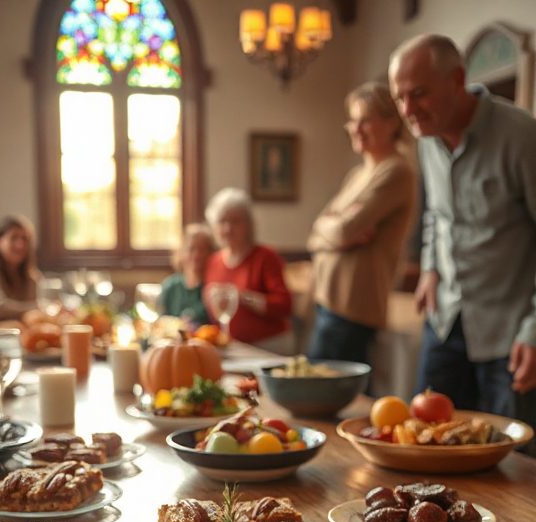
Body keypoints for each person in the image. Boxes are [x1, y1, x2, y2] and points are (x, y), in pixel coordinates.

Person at [388, 34, 536, 435]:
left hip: (510, 334)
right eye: (399, 98)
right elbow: (439, 214)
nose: (408, 110)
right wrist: (432, 267)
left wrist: (533, 330)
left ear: (457, 79)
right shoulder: (426, 141)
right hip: (446, 319)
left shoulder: (522, 135)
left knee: (513, 472)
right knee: (425, 443)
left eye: (418, 94)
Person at [307, 81, 417, 366]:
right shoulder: (358, 174)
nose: (356, 129)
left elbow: (344, 229)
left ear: (392, 123)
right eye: (353, 121)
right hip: (328, 303)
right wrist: (334, 231)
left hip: (354, 310)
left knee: (327, 397)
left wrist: (336, 229)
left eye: (365, 121)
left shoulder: (396, 170)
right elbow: (317, 232)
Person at [204, 187, 293, 353]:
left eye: (235, 221)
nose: (228, 228)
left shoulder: (266, 257)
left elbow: (284, 306)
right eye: (222, 222)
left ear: (249, 224)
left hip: (269, 346)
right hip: (232, 347)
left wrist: (242, 297)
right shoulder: (213, 261)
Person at [159, 223, 215, 327]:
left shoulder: (213, 286)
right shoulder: (170, 286)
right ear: (181, 252)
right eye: (191, 249)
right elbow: (160, 324)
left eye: (203, 249)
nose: (197, 255)